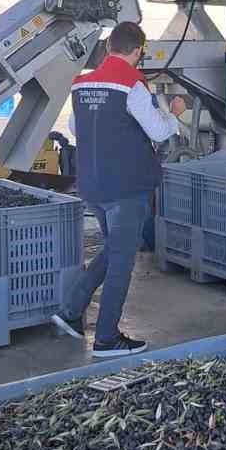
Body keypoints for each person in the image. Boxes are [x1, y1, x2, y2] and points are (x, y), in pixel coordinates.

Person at [52, 22, 185, 357]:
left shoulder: (82, 84)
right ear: (138, 51)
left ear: (109, 46)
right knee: (121, 262)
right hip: (127, 187)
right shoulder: (131, 84)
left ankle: (69, 312)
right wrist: (174, 114)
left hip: (94, 186)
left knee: (113, 248)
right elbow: (157, 132)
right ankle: (107, 339)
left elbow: (74, 126)